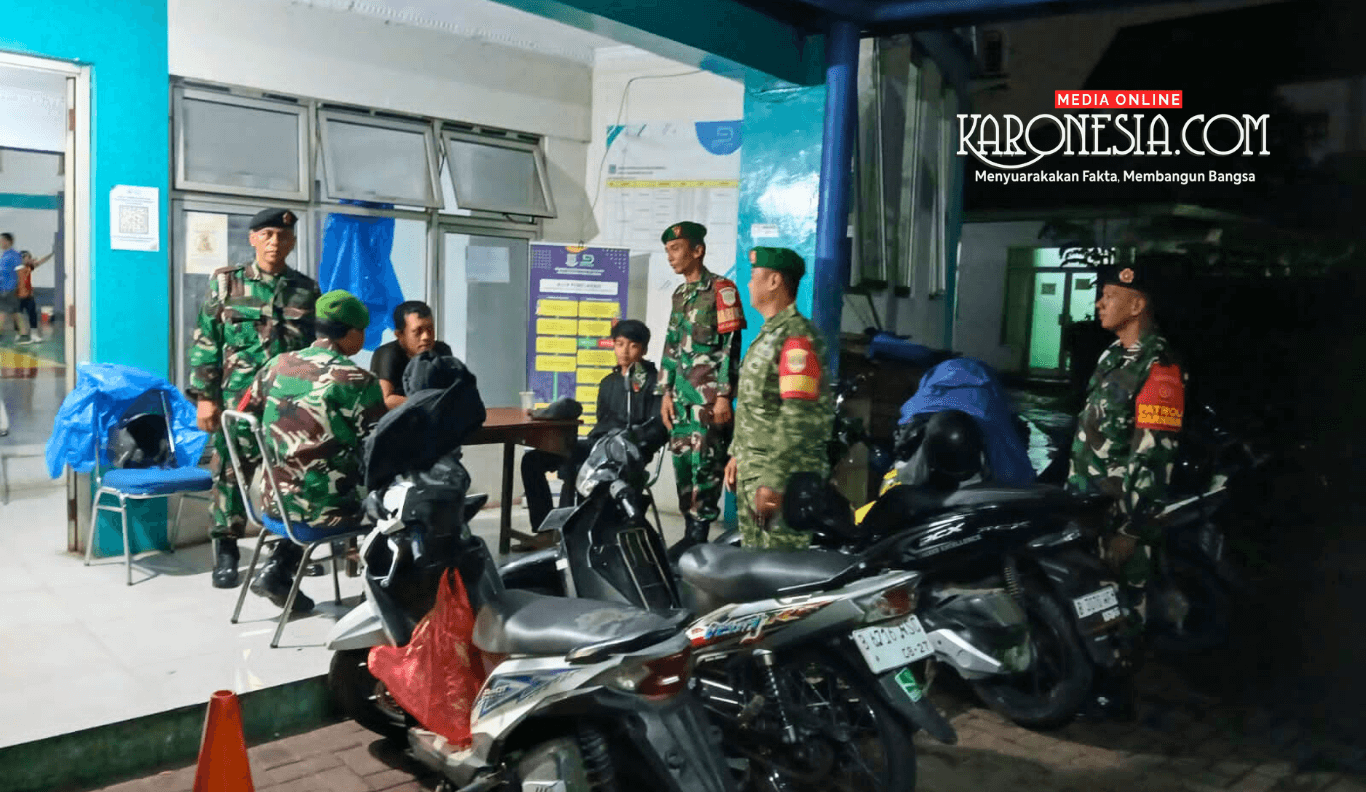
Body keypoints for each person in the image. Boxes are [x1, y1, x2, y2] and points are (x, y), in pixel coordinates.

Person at [185, 208, 320, 589]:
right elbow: (206, 341)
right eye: (268, 235)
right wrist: (206, 398)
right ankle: (226, 550)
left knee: (288, 478)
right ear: (253, 239)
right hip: (238, 402)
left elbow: (314, 349)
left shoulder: (306, 290)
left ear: (292, 242)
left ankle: (287, 551)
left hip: (288, 404)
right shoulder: (228, 283)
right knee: (230, 474)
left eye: (283, 236)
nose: (275, 242)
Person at [238, 290, 385, 612]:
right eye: (363, 331)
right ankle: (377, 598)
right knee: (395, 502)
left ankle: (277, 569)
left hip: (272, 501)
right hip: (327, 511)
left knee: (310, 483)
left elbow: (243, 419)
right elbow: (379, 448)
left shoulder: (277, 364)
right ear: (350, 333)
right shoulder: (356, 380)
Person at [1066, 258, 1187, 591]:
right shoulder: (1112, 356)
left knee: (1125, 609)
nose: (1099, 304)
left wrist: (1131, 531)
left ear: (1136, 306)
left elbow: (1153, 455)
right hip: (1090, 513)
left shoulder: (1158, 366)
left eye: (1109, 296)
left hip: (1121, 522)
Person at [724, 247, 834, 550]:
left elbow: (798, 414)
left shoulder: (796, 337)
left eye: (753, 276)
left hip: (782, 480)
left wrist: (773, 481)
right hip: (754, 472)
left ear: (774, 281)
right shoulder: (769, 334)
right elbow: (757, 407)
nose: (748, 284)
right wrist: (736, 454)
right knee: (753, 564)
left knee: (778, 568)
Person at [521, 319, 666, 530]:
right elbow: (601, 423)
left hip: (626, 453)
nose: (625, 351)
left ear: (644, 349)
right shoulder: (608, 382)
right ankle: (545, 528)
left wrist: (631, 440)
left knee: (579, 467)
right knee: (532, 460)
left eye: (633, 346)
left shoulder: (655, 383)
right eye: (620, 344)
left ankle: (572, 530)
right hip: (597, 447)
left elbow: (659, 429)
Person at [656, 221, 746, 556]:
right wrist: (665, 393)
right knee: (683, 465)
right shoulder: (679, 295)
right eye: (667, 250)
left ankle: (699, 535)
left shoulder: (722, 290)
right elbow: (671, 345)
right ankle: (689, 534)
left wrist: (723, 396)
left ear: (697, 250)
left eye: (676, 249)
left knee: (705, 467)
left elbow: (731, 347)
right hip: (681, 399)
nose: (670, 257)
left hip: (708, 401)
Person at [370, 300, 453, 410]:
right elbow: (386, 400)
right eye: (418, 332)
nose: (426, 337)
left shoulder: (442, 351)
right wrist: (428, 403)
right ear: (399, 335)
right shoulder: (387, 354)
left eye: (430, 329)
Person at [15, 250, 53, 344]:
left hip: (29, 296)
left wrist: (51, 253)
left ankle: (34, 335)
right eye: (28, 257)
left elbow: (41, 261)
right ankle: (19, 335)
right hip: (17, 297)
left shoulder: (29, 267)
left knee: (33, 315)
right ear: (22, 258)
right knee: (18, 317)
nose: (30, 259)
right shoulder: (14, 269)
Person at [0, 233, 23, 342]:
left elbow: (20, 272)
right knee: (15, 312)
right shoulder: (5, 255)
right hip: (4, 288)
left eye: (2, 241)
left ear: (9, 241)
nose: (0, 243)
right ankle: (22, 334)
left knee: (3, 311)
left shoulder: (14, 255)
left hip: (10, 288)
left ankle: (22, 334)